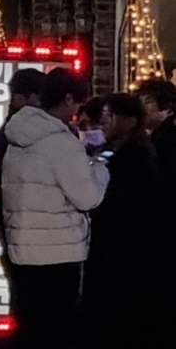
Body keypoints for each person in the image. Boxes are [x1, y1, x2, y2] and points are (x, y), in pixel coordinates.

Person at [1, 68, 109, 349]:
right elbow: (88, 199)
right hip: (59, 254)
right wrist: (99, 168)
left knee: (30, 330)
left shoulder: (16, 136)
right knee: (57, 332)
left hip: (22, 250)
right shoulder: (61, 143)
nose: (77, 113)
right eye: (78, 104)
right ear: (68, 98)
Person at [80, 94, 168, 348]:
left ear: (129, 121)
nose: (103, 123)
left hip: (124, 261)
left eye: (109, 116)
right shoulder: (120, 153)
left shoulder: (136, 159)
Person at [0, 68, 46, 261]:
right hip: (35, 236)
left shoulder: (2, 138)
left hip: (14, 234)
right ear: (20, 99)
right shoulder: (16, 139)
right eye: (39, 99)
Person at [136, 78, 176, 179]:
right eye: (140, 101)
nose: (142, 105)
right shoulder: (138, 136)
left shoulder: (169, 138)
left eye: (148, 101)